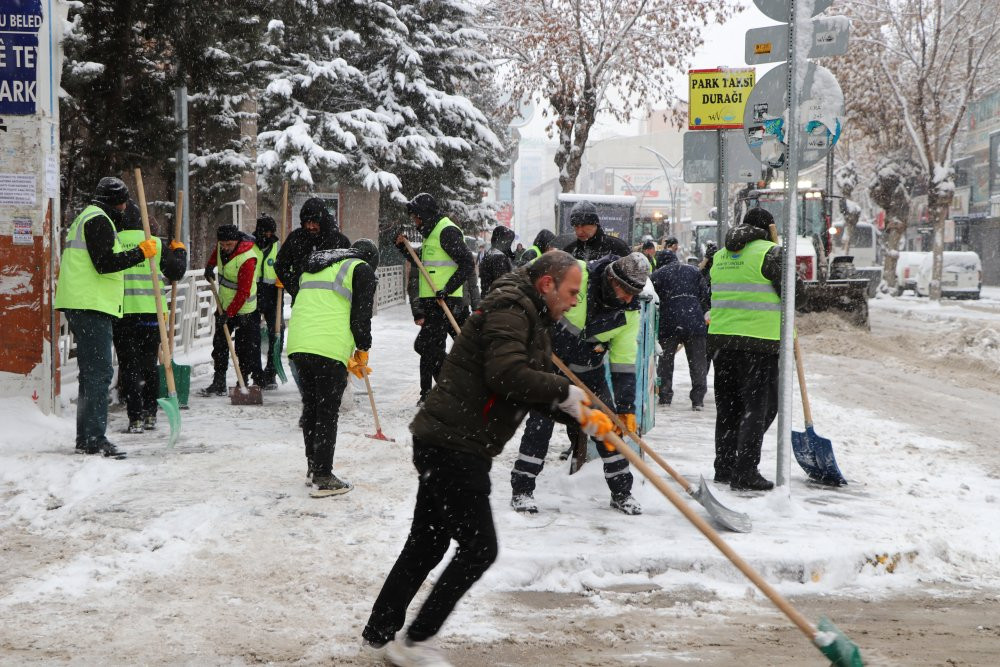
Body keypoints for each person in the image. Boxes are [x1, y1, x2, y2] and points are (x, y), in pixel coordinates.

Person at [361, 251, 612, 665]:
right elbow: (505, 374)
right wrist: (564, 392)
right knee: (479, 548)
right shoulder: (513, 309)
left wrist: (579, 415)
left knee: (428, 541)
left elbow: (519, 387)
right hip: (455, 443)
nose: (574, 301)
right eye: (571, 291)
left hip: (445, 437)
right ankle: (414, 643)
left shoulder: (529, 316)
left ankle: (379, 631)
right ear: (547, 284)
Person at [510, 252, 651, 516]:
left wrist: (625, 407)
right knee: (540, 426)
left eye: (636, 292)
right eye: (627, 290)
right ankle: (522, 490)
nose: (630, 298)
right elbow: (527, 281)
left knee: (609, 431)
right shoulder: (577, 274)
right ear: (611, 279)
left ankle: (622, 493)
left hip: (590, 374)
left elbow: (623, 363)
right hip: (551, 366)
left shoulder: (628, 314)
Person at [54, 177, 157, 458]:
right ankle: (95, 439)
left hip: (83, 303)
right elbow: (105, 264)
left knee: (90, 375)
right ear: (116, 202)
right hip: (91, 305)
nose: (125, 208)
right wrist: (139, 253)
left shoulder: (89, 216)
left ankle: (86, 437)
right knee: (99, 373)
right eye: (124, 202)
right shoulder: (99, 221)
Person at [709, 208, 806, 491]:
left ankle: (724, 467)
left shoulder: (721, 256)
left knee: (727, 409)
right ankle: (745, 471)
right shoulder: (771, 253)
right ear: (770, 228)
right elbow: (798, 296)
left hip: (722, 342)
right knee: (759, 408)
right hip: (758, 345)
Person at [286, 239, 379, 495]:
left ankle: (313, 468)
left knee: (312, 408)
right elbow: (361, 317)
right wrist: (363, 349)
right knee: (327, 411)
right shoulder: (361, 269)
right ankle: (323, 477)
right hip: (327, 347)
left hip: (298, 344)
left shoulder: (317, 265)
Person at [113, 201, 188, 433]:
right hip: (151, 316)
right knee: (149, 365)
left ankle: (134, 417)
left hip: (123, 314)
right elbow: (176, 272)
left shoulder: (115, 241)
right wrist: (180, 252)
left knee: (129, 367)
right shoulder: (153, 243)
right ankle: (150, 414)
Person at [395, 193, 475, 406]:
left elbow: (467, 262)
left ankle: (447, 390)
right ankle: (431, 393)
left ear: (425, 214)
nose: (415, 222)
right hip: (434, 301)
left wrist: (447, 289)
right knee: (429, 347)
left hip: (447, 303)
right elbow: (423, 262)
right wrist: (404, 248)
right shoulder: (431, 233)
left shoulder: (446, 231)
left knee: (431, 347)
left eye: (416, 217)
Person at [200, 224, 265, 396]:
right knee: (220, 345)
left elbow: (243, 291)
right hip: (224, 305)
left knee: (244, 348)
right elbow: (216, 256)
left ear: (236, 241)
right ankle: (219, 381)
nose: (225, 248)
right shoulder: (222, 248)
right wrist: (209, 267)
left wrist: (229, 314)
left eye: (229, 244)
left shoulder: (247, 258)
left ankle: (242, 381)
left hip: (245, 309)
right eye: (223, 244)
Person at [650, 249, 710, 410]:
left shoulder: (657, 275)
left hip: (669, 323)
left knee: (665, 362)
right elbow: (705, 295)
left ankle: (665, 396)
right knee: (698, 362)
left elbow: (653, 301)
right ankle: (698, 400)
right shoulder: (694, 271)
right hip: (694, 322)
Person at [274, 197, 350, 302]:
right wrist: (295, 287)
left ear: (322, 221)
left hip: (331, 303)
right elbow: (280, 265)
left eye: (314, 222)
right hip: (303, 302)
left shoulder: (338, 241)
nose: (310, 226)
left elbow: (349, 269)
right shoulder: (296, 238)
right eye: (307, 222)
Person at [253, 215, 281, 388]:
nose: (268, 235)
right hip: (253, 293)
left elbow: (287, 266)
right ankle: (256, 374)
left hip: (273, 294)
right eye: (264, 232)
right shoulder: (249, 245)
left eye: (271, 232)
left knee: (277, 333)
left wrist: (284, 277)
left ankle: (271, 372)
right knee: (252, 335)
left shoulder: (278, 247)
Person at [563, 200, 631, 261]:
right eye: (576, 226)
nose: (579, 231)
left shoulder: (618, 247)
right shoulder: (569, 250)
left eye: (583, 226)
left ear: (595, 224)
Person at [478, 225, 516, 295]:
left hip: (489, 299)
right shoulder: (499, 258)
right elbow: (502, 285)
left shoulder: (490, 254)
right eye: (508, 241)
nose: (509, 244)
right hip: (497, 302)